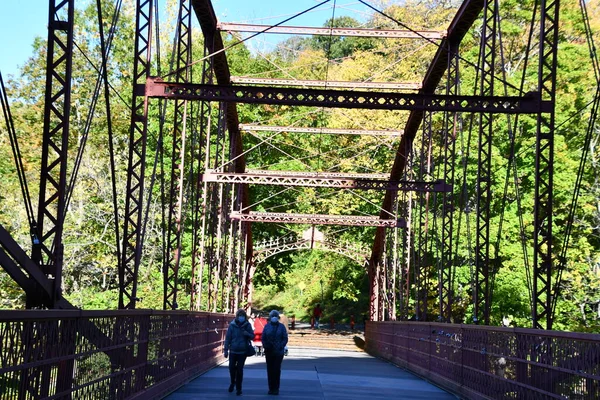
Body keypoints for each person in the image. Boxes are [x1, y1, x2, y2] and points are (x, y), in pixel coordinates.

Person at [224, 309, 254, 396]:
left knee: (240, 370)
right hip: (233, 350)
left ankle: (238, 388)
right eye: (240, 316)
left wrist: (247, 334)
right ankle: (232, 382)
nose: (241, 318)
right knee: (231, 368)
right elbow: (228, 338)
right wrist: (226, 350)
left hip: (242, 351)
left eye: (243, 316)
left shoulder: (247, 325)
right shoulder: (232, 325)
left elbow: (252, 336)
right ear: (237, 317)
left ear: (245, 317)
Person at [261, 309, 288, 395]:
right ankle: (270, 388)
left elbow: (285, 338)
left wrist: (281, 345)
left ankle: (276, 388)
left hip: (278, 352)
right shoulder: (266, 326)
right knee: (270, 370)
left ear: (278, 317)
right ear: (270, 317)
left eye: (275, 316)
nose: (274, 318)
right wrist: (265, 345)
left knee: (276, 370)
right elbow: (263, 337)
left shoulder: (281, 327)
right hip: (269, 351)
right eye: (272, 316)